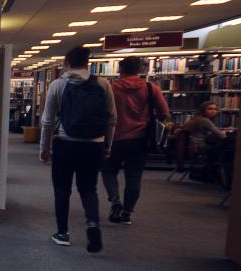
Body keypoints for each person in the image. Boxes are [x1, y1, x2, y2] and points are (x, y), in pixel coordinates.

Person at [40, 46, 117, 252]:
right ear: (88, 62)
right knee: (88, 189)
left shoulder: (58, 85)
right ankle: (92, 223)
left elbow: (47, 121)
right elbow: (112, 119)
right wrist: (107, 146)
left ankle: (62, 233)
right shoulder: (103, 84)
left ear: (66, 62)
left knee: (62, 189)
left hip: (65, 144)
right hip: (94, 145)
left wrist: (44, 148)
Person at [100, 56, 170, 224]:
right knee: (134, 176)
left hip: (113, 138)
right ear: (139, 69)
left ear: (120, 69)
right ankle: (127, 212)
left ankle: (115, 200)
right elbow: (164, 113)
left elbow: (102, 112)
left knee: (108, 171)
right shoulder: (151, 88)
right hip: (139, 139)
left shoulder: (111, 88)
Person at [183, 101, 229, 181]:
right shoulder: (204, 120)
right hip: (200, 147)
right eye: (210, 109)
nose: (213, 111)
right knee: (228, 149)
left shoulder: (196, 119)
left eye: (215, 109)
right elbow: (222, 136)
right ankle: (215, 174)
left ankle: (210, 173)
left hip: (195, 147)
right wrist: (223, 133)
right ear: (203, 110)